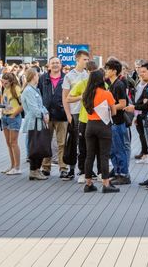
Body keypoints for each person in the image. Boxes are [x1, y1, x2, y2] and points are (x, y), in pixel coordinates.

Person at [81, 69, 120, 193]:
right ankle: (106, 184)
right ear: (101, 79)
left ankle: (88, 184)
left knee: (89, 155)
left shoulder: (86, 94)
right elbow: (114, 112)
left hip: (90, 125)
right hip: (103, 126)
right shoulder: (106, 93)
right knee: (104, 155)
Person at [39, 57, 70, 179]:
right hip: (47, 115)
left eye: (57, 63)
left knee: (62, 143)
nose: (55, 65)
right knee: (46, 142)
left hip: (62, 115)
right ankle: (46, 167)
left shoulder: (66, 78)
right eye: (53, 63)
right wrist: (42, 112)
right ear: (49, 65)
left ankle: (63, 168)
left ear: (61, 65)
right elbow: (39, 96)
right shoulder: (43, 78)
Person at [62, 50, 91, 180]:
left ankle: (84, 169)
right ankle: (72, 169)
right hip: (74, 113)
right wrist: (68, 114)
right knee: (74, 141)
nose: (86, 62)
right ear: (77, 59)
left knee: (84, 142)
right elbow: (65, 97)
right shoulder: (69, 76)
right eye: (84, 59)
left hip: (86, 113)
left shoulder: (88, 75)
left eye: (87, 60)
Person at [104, 59, 131, 185]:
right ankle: (117, 172)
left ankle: (123, 174)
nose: (106, 71)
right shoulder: (111, 84)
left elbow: (123, 104)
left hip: (117, 121)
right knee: (113, 150)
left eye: (107, 69)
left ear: (114, 71)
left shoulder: (119, 85)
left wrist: (109, 107)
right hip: (112, 121)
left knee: (119, 149)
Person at [21, 68, 51, 181]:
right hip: (34, 123)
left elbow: (40, 105)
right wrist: (44, 115)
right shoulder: (29, 91)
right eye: (37, 75)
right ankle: (34, 170)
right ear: (33, 76)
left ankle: (36, 170)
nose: (38, 77)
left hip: (39, 122)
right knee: (36, 147)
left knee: (39, 146)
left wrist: (45, 112)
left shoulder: (35, 90)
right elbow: (34, 109)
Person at [0, 72, 24, 175]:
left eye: (6, 83)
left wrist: (14, 114)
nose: (4, 85)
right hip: (5, 116)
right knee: (9, 143)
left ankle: (17, 167)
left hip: (13, 117)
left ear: (11, 81)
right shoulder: (5, 88)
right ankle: (12, 165)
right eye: (3, 83)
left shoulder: (16, 89)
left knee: (13, 142)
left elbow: (23, 104)